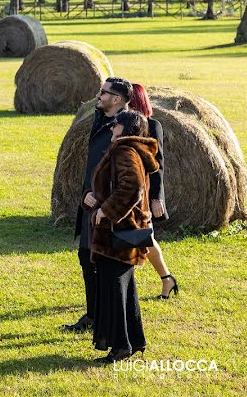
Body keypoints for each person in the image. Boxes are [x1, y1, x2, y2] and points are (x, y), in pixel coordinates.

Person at [88, 110, 158, 363]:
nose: (111, 128)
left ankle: (120, 346)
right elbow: (117, 186)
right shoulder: (130, 149)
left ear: (127, 129)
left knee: (114, 288)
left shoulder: (124, 151)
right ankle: (134, 340)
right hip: (124, 230)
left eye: (115, 125)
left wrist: (106, 211)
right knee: (125, 288)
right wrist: (95, 201)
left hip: (118, 232)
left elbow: (132, 187)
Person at [64, 77, 132, 333]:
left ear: (116, 99)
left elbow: (129, 174)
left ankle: (107, 320)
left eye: (103, 92)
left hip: (109, 210)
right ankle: (93, 316)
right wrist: (85, 193)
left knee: (106, 266)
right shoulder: (99, 120)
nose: (98, 95)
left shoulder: (128, 125)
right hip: (90, 205)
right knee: (86, 258)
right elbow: (92, 166)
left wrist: (104, 202)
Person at [129, 84, 179, 299]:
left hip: (145, 189)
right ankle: (167, 279)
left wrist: (157, 197)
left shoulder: (152, 125)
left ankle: (167, 278)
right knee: (140, 236)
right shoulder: (121, 124)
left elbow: (157, 163)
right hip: (127, 186)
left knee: (143, 236)